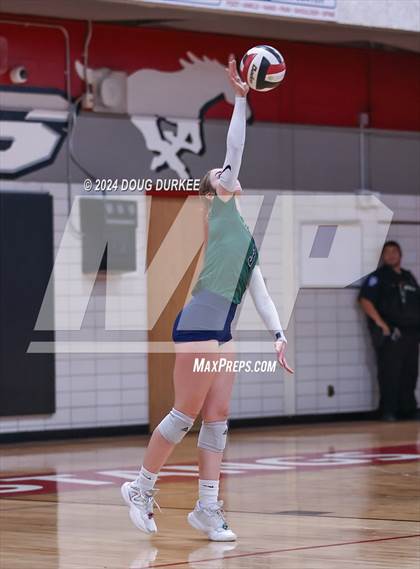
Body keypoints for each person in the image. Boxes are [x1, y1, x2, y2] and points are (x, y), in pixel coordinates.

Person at [121, 56, 293, 541]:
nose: (226, 172)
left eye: (225, 171)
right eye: (220, 172)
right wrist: (240, 98)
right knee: (184, 416)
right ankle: (140, 487)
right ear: (215, 188)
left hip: (224, 329)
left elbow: (259, 290)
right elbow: (235, 146)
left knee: (217, 421)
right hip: (199, 322)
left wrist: (279, 334)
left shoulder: (243, 233)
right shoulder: (218, 208)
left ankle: (207, 509)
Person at [358, 240, 420, 421]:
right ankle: (389, 410)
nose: (391, 255)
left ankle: (408, 409)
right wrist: (382, 324)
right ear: (383, 257)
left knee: (410, 372)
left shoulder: (408, 277)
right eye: (387, 252)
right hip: (391, 333)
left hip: (411, 333)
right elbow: (365, 300)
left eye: (394, 251)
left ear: (400, 255)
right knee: (390, 372)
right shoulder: (378, 277)